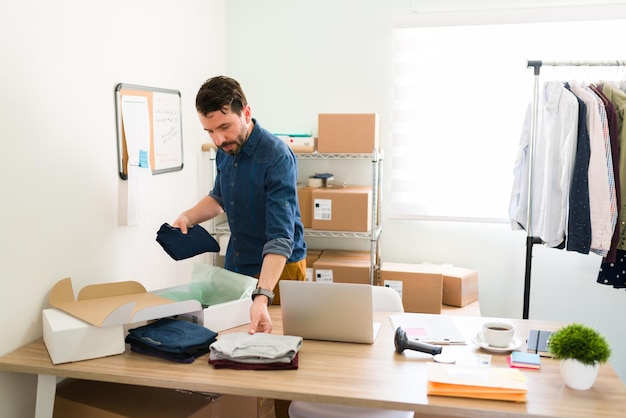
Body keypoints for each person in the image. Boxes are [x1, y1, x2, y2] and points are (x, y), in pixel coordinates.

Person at [173, 75, 307, 335]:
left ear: (246, 112)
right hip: (238, 262)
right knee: (233, 339)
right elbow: (219, 198)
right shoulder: (225, 149)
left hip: (279, 269)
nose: (218, 140)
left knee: (277, 344)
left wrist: (262, 295)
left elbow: (280, 237)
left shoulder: (276, 157)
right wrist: (188, 217)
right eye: (210, 131)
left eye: (224, 127)